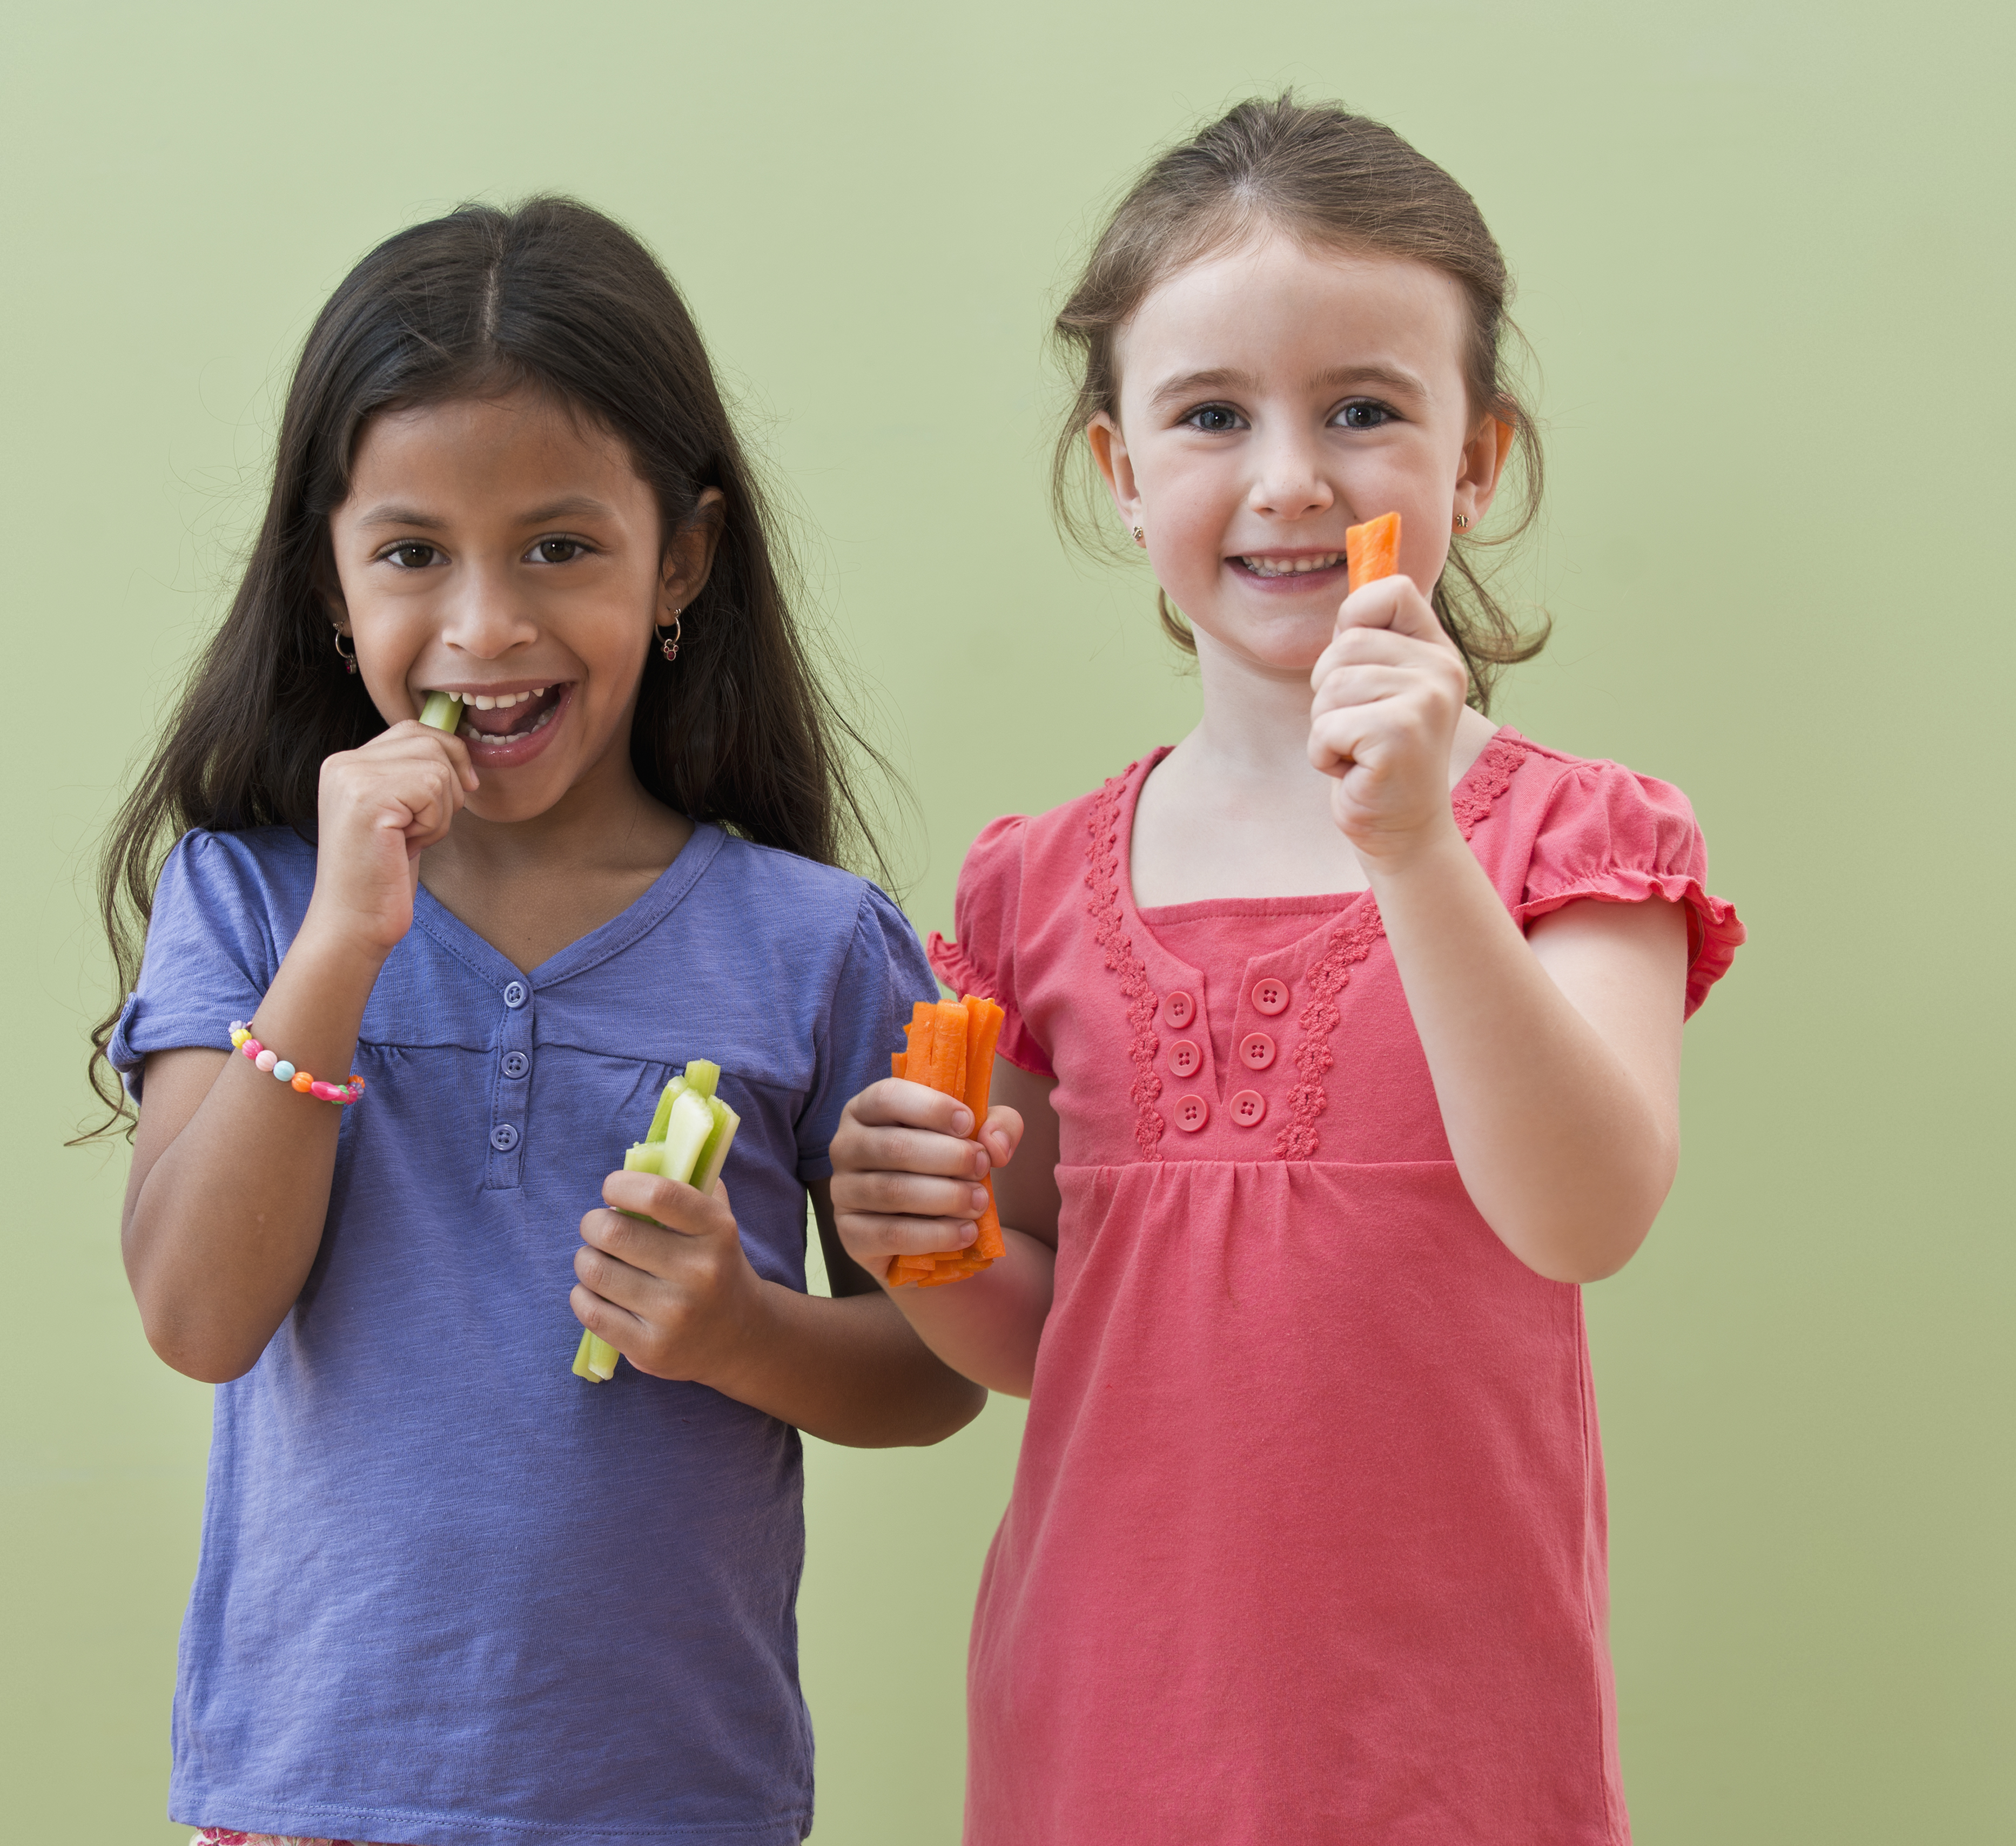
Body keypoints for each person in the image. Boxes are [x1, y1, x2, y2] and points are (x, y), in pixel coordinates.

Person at [826, 97, 1745, 1843]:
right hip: (1097, 1738)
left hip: (1448, 1763)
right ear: (1120, 468)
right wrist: (913, 1241)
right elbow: (1046, 1327)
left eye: (1362, 411)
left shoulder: (1572, 843)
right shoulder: (1028, 894)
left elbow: (1586, 1212)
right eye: (1210, 416)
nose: (1288, 478)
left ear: (1476, 462)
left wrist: (1411, 843)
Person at [93, 196, 982, 1846]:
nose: (485, 627)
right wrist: (344, 946)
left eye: (558, 547)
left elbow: (937, 1368)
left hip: (674, 1802)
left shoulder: (812, 944)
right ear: (327, 579)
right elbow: (198, 1315)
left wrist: (740, 1335)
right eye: (412, 552)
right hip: (310, 1793)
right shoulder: (249, 900)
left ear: (683, 560)